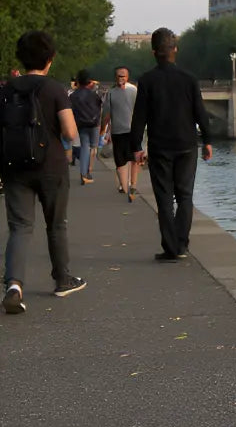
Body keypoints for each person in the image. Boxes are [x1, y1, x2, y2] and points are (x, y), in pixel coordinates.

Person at [1, 30, 87, 313]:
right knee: (56, 224)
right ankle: (62, 279)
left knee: (20, 227)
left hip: (14, 168)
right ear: (50, 59)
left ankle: (14, 285)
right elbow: (70, 132)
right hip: (51, 166)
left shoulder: (7, 90)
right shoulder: (54, 89)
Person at [129, 28, 212, 261]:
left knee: (164, 197)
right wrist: (208, 140)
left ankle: (170, 246)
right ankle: (182, 244)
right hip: (186, 144)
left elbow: (140, 116)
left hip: (160, 146)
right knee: (185, 195)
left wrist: (136, 146)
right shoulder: (189, 79)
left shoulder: (147, 80)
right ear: (175, 49)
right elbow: (200, 113)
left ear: (153, 52)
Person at [101, 66, 140, 199]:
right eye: (118, 76)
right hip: (118, 131)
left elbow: (141, 110)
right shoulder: (111, 93)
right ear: (115, 77)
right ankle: (125, 187)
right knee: (120, 161)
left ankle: (133, 186)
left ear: (127, 77)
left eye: (123, 76)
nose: (121, 78)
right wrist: (103, 130)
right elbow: (106, 114)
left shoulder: (134, 90)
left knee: (134, 159)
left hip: (133, 130)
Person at [69, 70, 102, 185]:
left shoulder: (73, 96)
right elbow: (99, 109)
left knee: (84, 146)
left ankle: (83, 172)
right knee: (93, 147)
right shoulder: (94, 95)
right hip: (94, 124)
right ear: (89, 82)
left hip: (81, 124)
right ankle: (89, 170)